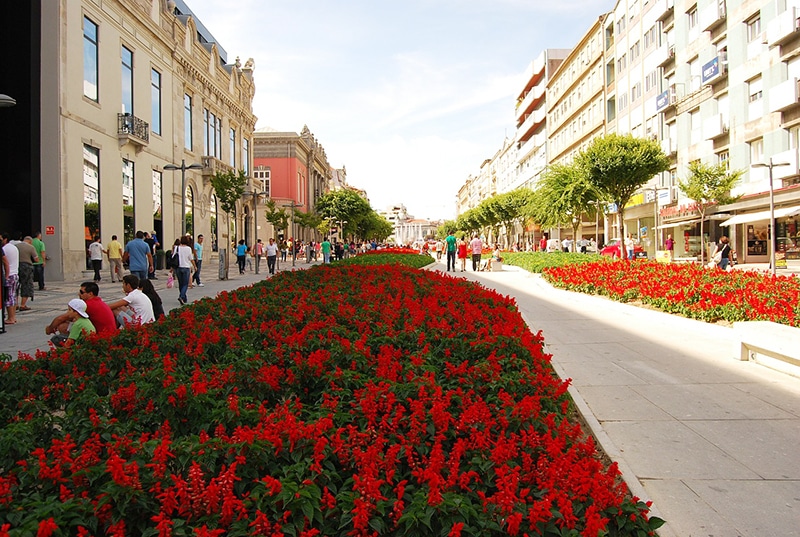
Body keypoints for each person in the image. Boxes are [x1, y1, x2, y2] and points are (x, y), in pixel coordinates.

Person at [46, 282, 117, 337]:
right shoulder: (97, 301)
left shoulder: (87, 305)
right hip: (109, 334)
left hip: (102, 336)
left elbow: (61, 318)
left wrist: (50, 328)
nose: (79, 294)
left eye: (81, 292)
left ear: (90, 294)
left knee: (62, 326)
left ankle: (68, 348)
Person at [15, 236, 39, 312]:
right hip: (27, 267)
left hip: (17, 266)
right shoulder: (31, 247)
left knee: (16, 286)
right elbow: (36, 259)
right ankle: (23, 305)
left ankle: (15, 304)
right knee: (26, 285)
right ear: (30, 241)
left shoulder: (16, 246)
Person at [2, 233, 19, 325]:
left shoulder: (5, 249)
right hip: (15, 273)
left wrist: (6, 276)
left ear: (5, 239)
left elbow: (6, 263)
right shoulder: (13, 247)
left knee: (8, 297)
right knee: (12, 296)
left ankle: (11, 318)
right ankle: (13, 317)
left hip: (10, 275)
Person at [175, 236, 196, 305]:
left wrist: (172, 269)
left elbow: (173, 257)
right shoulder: (188, 249)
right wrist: (195, 266)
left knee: (181, 283)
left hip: (178, 267)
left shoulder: (177, 248)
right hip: (186, 267)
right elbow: (191, 258)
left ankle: (184, 297)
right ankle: (181, 296)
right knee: (185, 284)